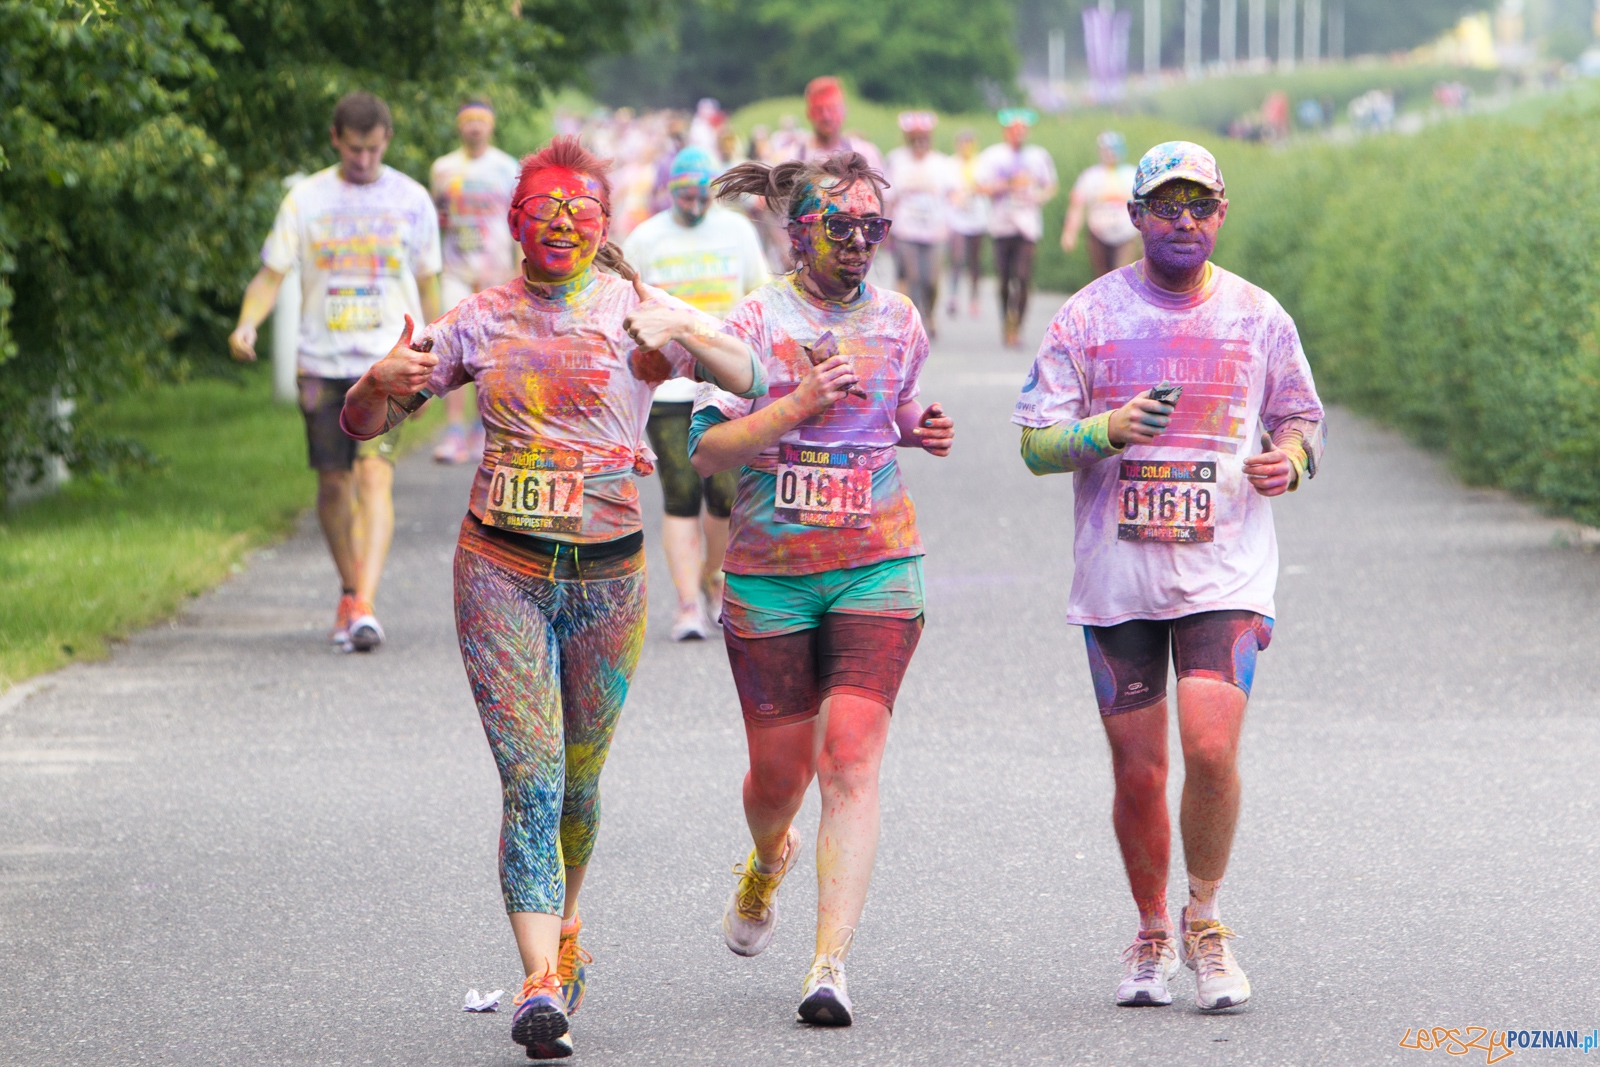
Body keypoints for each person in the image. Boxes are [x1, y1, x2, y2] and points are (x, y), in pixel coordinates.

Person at [339, 136, 763, 1059]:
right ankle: (537, 983)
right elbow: (363, 423)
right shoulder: (480, 320)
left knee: (578, 781)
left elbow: (753, 375)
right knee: (530, 776)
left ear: (603, 224)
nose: (562, 226)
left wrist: (684, 337)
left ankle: (567, 930)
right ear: (515, 222)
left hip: (611, 578)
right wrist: (375, 383)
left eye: (580, 212)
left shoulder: (635, 310)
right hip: (500, 568)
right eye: (545, 211)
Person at [1011, 141, 1325, 1012]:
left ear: (1221, 213)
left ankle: (1207, 917)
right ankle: (1151, 927)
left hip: (1226, 569)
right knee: (1140, 770)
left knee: (1213, 748)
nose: (1183, 219)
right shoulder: (1086, 318)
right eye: (1167, 204)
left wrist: (1288, 463)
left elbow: (1302, 420)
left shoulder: (1260, 317)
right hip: (1119, 576)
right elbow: (1035, 443)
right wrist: (1106, 429)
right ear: (1136, 216)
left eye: (1199, 204)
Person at [694, 152, 955, 1026]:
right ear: (796, 228)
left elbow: (896, 407)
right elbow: (709, 451)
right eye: (839, 226)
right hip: (770, 572)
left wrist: (919, 426)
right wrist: (799, 403)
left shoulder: (900, 319)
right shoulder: (752, 321)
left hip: (879, 561)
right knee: (779, 774)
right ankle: (767, 859)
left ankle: (829, 964)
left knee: (849, 756)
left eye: (872, 228)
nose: (857, 242)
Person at [229, 90, 441, 653]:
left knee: (375, 475)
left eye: (372, 150)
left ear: (386, 141)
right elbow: (271, 275)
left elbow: (429, 285)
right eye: (354, 150)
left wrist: (440, 348)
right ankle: (350, 589)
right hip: (322, 363)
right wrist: (248, 324)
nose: (364, 161)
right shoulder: (307, 199)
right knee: (333, 481)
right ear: (335, 140)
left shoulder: (412, 199)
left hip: (387, 362)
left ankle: (364, 604)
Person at [623, 147, 770, 640]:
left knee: (725, 497)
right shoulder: (646, 238)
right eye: (683, 192)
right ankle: (687, 603)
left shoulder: (737, 232)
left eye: (701, 191)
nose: (693, 201)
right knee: (681, 492)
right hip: (668, 388)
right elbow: (626, 307)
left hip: (724, 384)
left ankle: (714, 578)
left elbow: (760, 297)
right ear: (668, 191)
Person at [431, 97, 523, 465]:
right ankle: (454, 430)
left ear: (491, 125)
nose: (474, 127)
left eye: (481, 121)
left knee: (492, 352)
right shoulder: (442, 168)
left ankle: (484, 430)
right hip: (455, 270)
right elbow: (437, 216)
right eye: (468, 120)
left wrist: (520, 270)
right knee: (452, 348)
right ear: (459, 126)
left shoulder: (506, 167)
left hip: (496, 272)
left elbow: (517, 221)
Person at [976, 108, 1058, 348]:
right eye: (1014, 130)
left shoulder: (1038, 156)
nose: (1018, 134)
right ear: (1006, 132)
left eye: (1022, 130)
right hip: (1001, 225)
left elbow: (1050, 185)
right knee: (1003, 279)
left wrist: (1040, 196)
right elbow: (981, 187)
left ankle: (1017, 326)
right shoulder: (993, 156)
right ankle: (1006, 321)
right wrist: (1008, 185)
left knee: (1022, 277)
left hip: (1027, 226)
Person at [884, 111, 956, 338]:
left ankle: (930, 312)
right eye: (914, 139)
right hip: (906, 230)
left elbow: (954, 194)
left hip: (935, 231)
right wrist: (885, 227)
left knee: (932, 280)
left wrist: (952, 220)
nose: (919, 143)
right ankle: (914, 325)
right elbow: (890, 197)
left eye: (923, 138)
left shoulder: (941, 163)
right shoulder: (896, 160)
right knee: (913, 278)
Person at [1062, 130, 1141, 279]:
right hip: (1098, 234)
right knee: (1102, 277)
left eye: (1113, 149)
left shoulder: (1133, 175)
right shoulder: (1089, 176)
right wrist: (1070, 232)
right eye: (1106, 150)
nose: (1110, 153)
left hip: (1126, 234)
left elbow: (1143, 207)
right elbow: (1077, 206)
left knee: (1121, 275)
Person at [945, 128, 988, 320]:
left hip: (977, 218)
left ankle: (974, 298)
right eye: (963, 144)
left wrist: (978, 189)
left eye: (969, 144)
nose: (966, 147)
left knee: (974, 261)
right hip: (957, 219)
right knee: (957, 258)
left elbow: (990, 187)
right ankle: (953, 296)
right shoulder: (950, 164)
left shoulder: (981, 164)